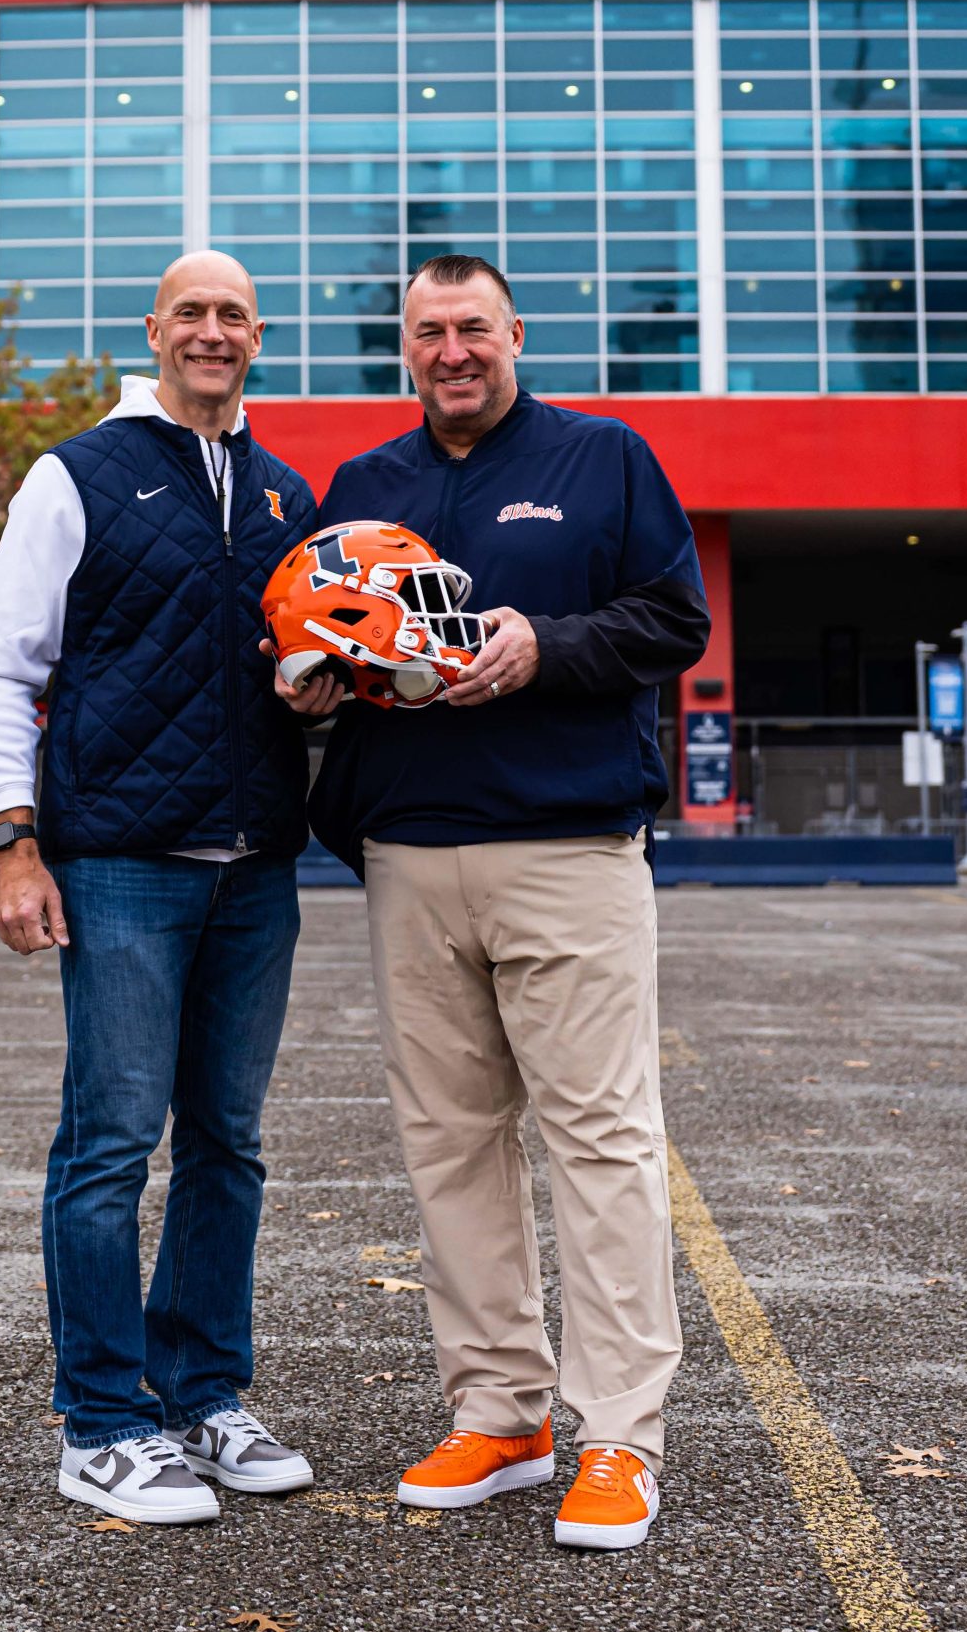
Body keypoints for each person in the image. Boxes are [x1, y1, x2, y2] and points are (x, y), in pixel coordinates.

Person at [298, 252, 710, 1553]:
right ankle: (500, 1411)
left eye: (471, 327)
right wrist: (311, 684)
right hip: (410, 856)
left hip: (566, 850)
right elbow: (346, 638)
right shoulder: (365, 489)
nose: (451, 351)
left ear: (512, 333)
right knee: (449, 1146)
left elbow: (669, 622)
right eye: (427, 332)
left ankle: (618, 1437)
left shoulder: (604, 461)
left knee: (597, 1145)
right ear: (403, 347)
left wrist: (545, 645)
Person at [0, 251, 336, 1526]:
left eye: (235, 313)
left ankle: (205, 1395)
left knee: (228, 1145)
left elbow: (298, 671)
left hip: (257, 873)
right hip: (119, 865)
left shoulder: (289, 493)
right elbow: (0, 670)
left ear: (259, 334)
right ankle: (103, 1423)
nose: (214, 332)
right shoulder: (76, 475)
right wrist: (15, 840)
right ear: (155, 330)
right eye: (193, 312)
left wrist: (319, 694)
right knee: (111, 1143)